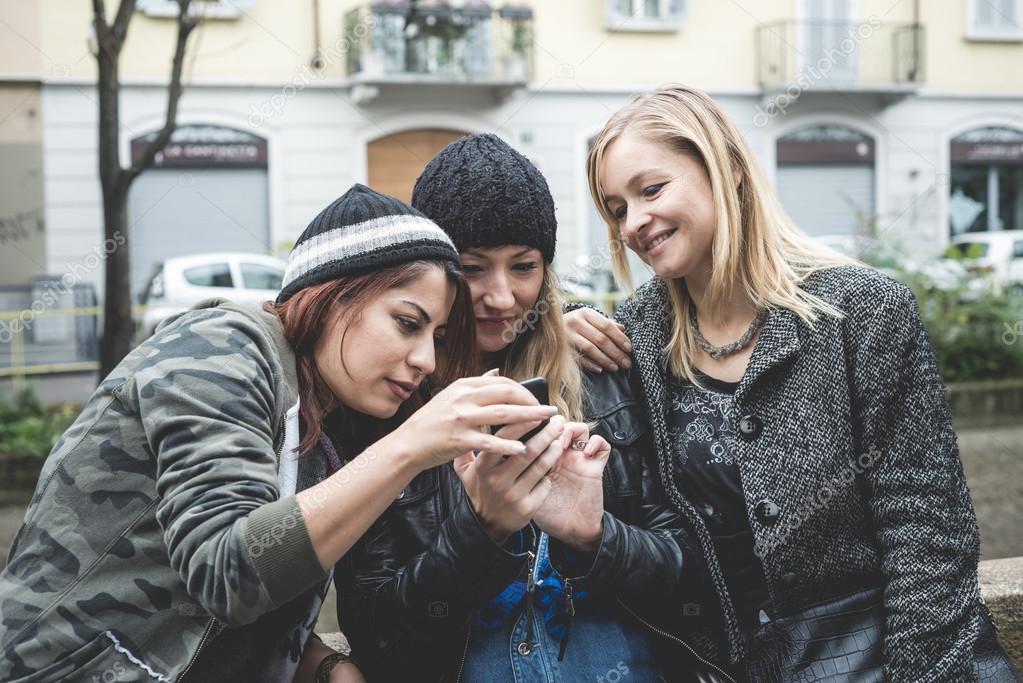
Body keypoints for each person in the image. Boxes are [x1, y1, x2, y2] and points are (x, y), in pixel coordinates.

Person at [0, 184, 557, 683]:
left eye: (435, 335)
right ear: (334, 296)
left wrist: (321, 663)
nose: (425, 359)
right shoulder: (222, 348)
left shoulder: (325, 408)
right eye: (408, 324)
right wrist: (409, 447)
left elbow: (239, 595)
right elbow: (227, 571)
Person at [566, 84, 1021, 681]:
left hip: (877, 656)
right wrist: (555, 333)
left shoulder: (861, 311)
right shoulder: (634, 338)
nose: (634, 223)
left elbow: (926, 529)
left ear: (726, 169)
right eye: (617, 208)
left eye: (651, 189)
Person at [335, 133, 715, 682]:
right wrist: (479, 530)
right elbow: (376, 627)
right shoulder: (389, 401)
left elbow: (693, 572)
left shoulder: (600, 373)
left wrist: (595, 536)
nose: (502, 297)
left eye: (523, 266)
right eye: (472, 268)